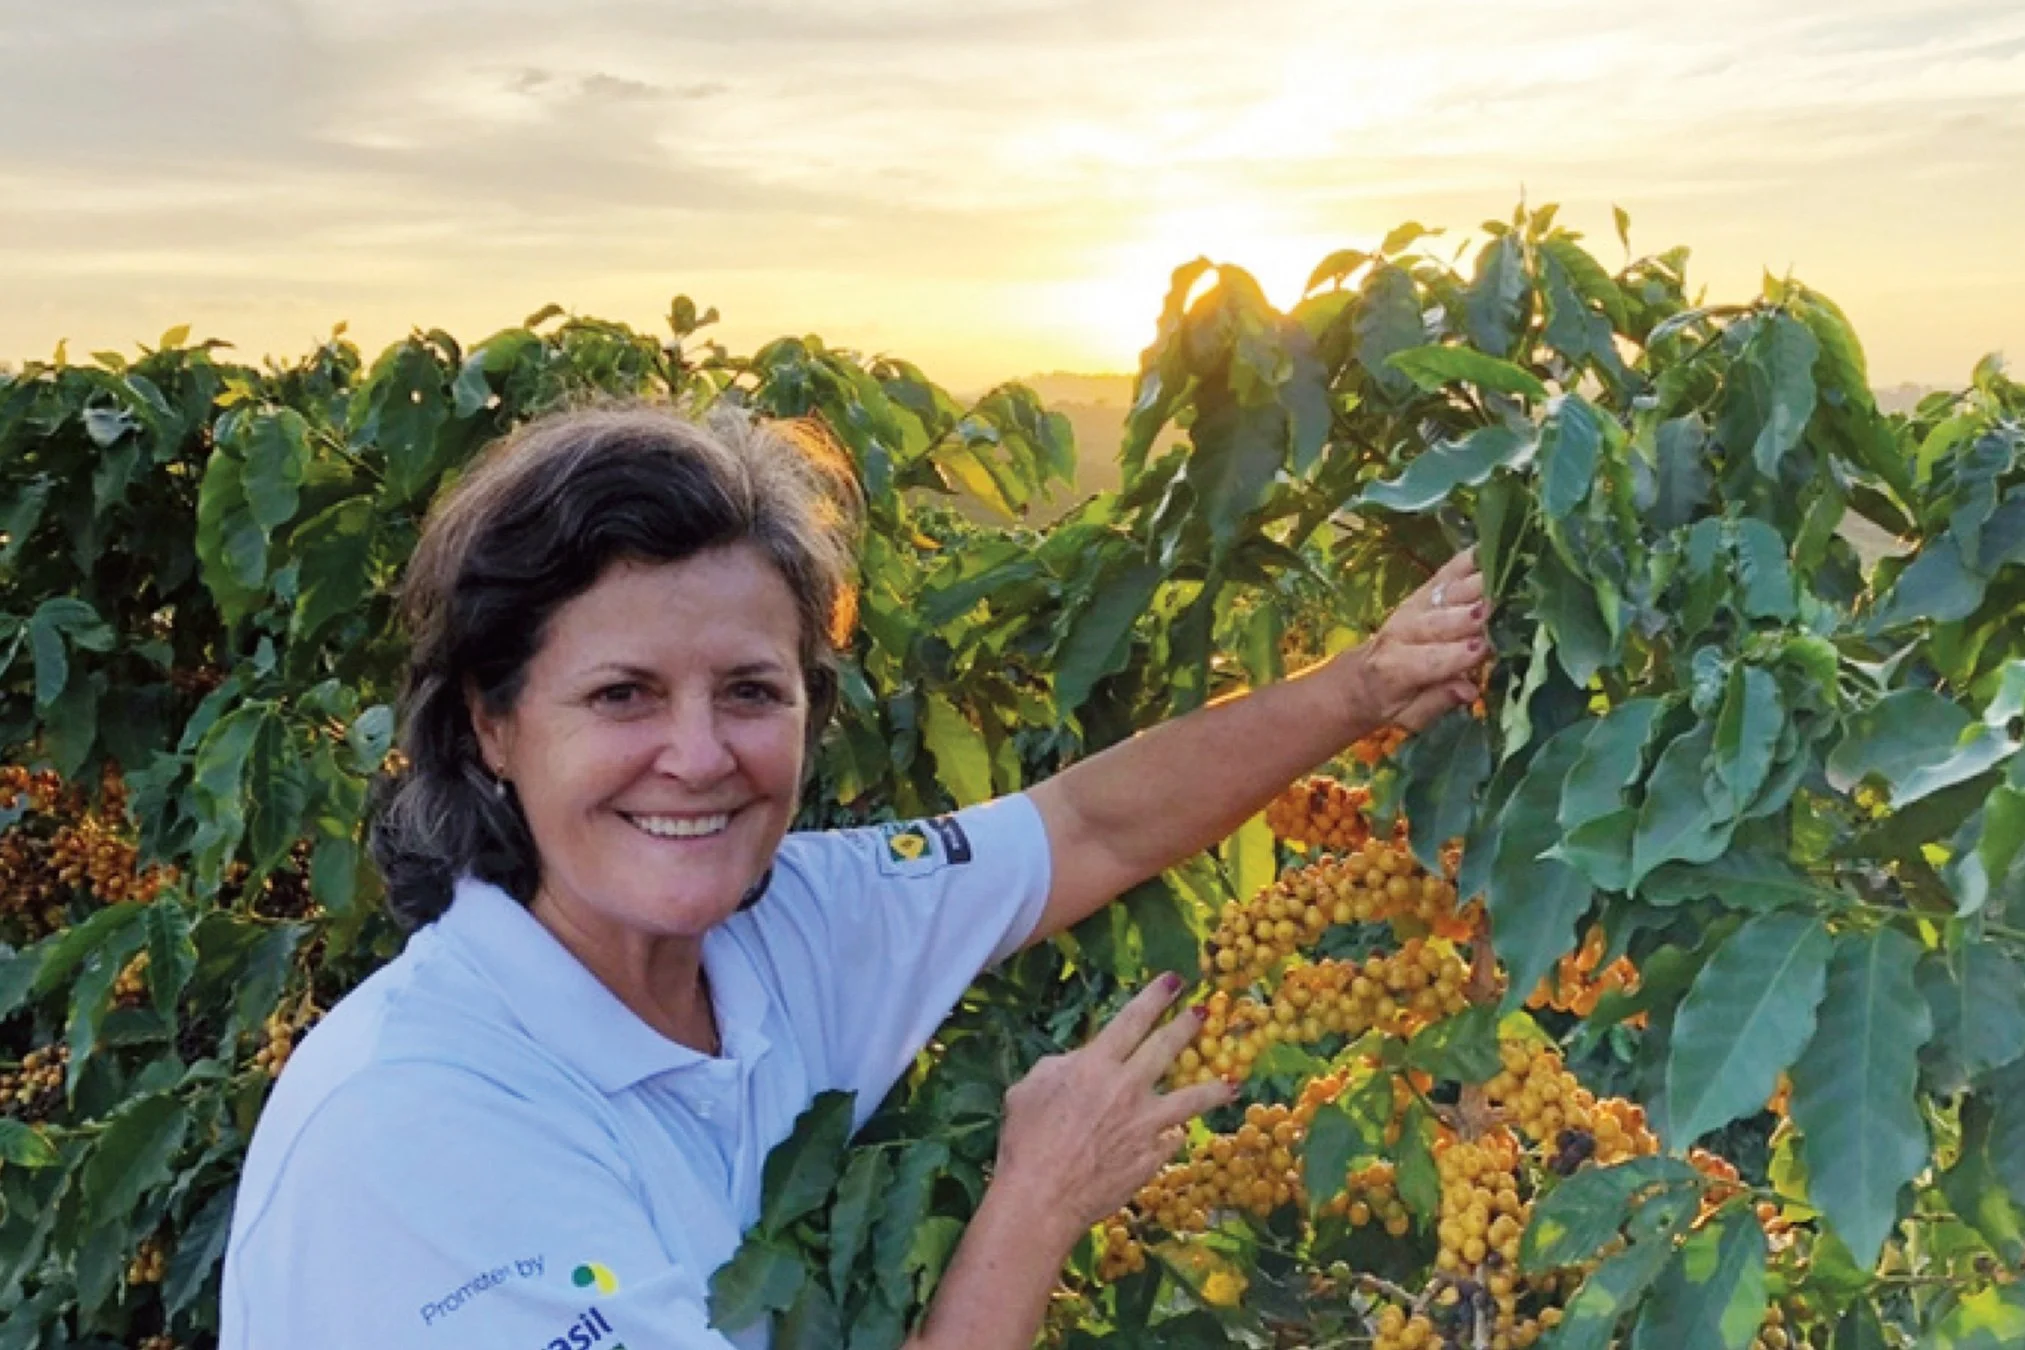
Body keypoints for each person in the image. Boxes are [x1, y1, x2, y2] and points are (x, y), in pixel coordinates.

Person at [219, 404, 1489, 1350]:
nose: (700, 756)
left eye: (752, 692)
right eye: (622, 696)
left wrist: (1369, 683)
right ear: (491, 727)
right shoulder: (420, 1134)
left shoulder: (791, 926)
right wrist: (1038, 1200)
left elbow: (1089, 825)